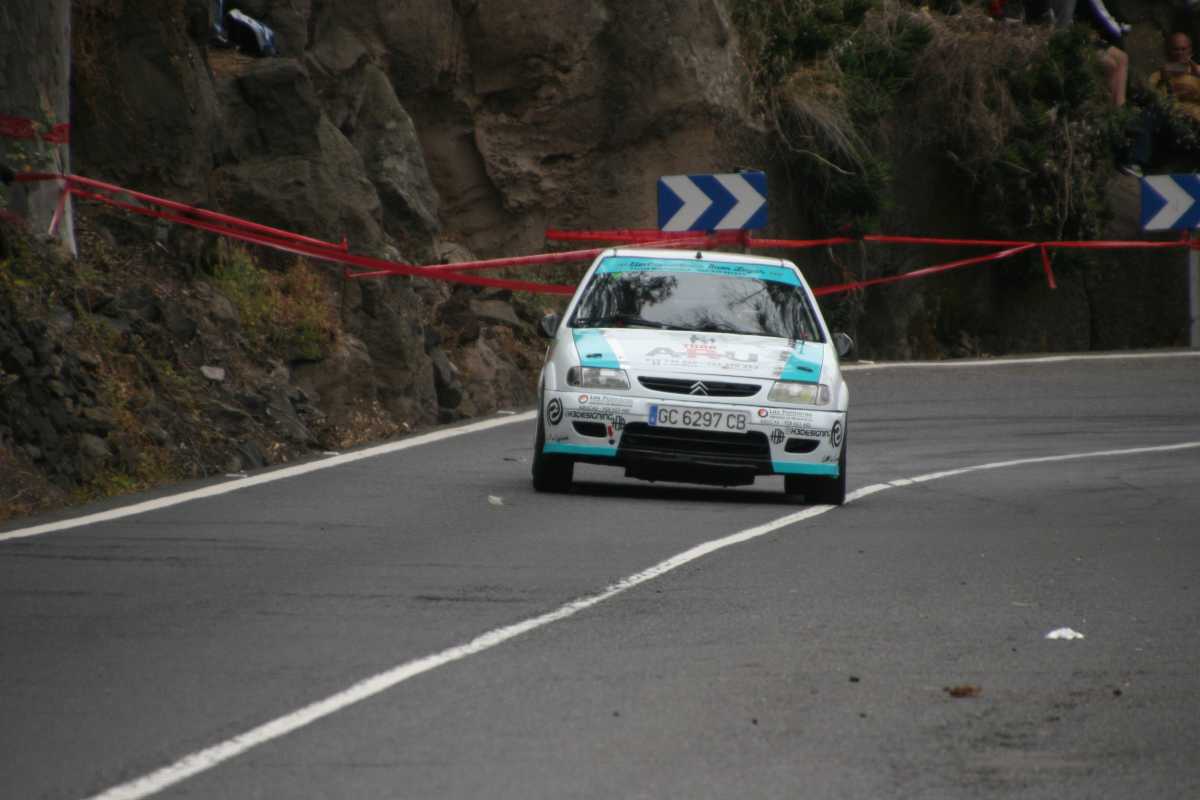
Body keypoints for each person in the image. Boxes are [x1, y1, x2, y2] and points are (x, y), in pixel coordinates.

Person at [1149, 33, 1200, 124]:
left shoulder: (1197, 71)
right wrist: (1163, 81)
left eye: (1183, 49)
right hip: (1171, 119)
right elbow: (1151, 101)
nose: (1180, 53)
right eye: (1176, 49)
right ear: (1169, 51)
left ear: (1190, 51)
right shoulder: (1158, 75)